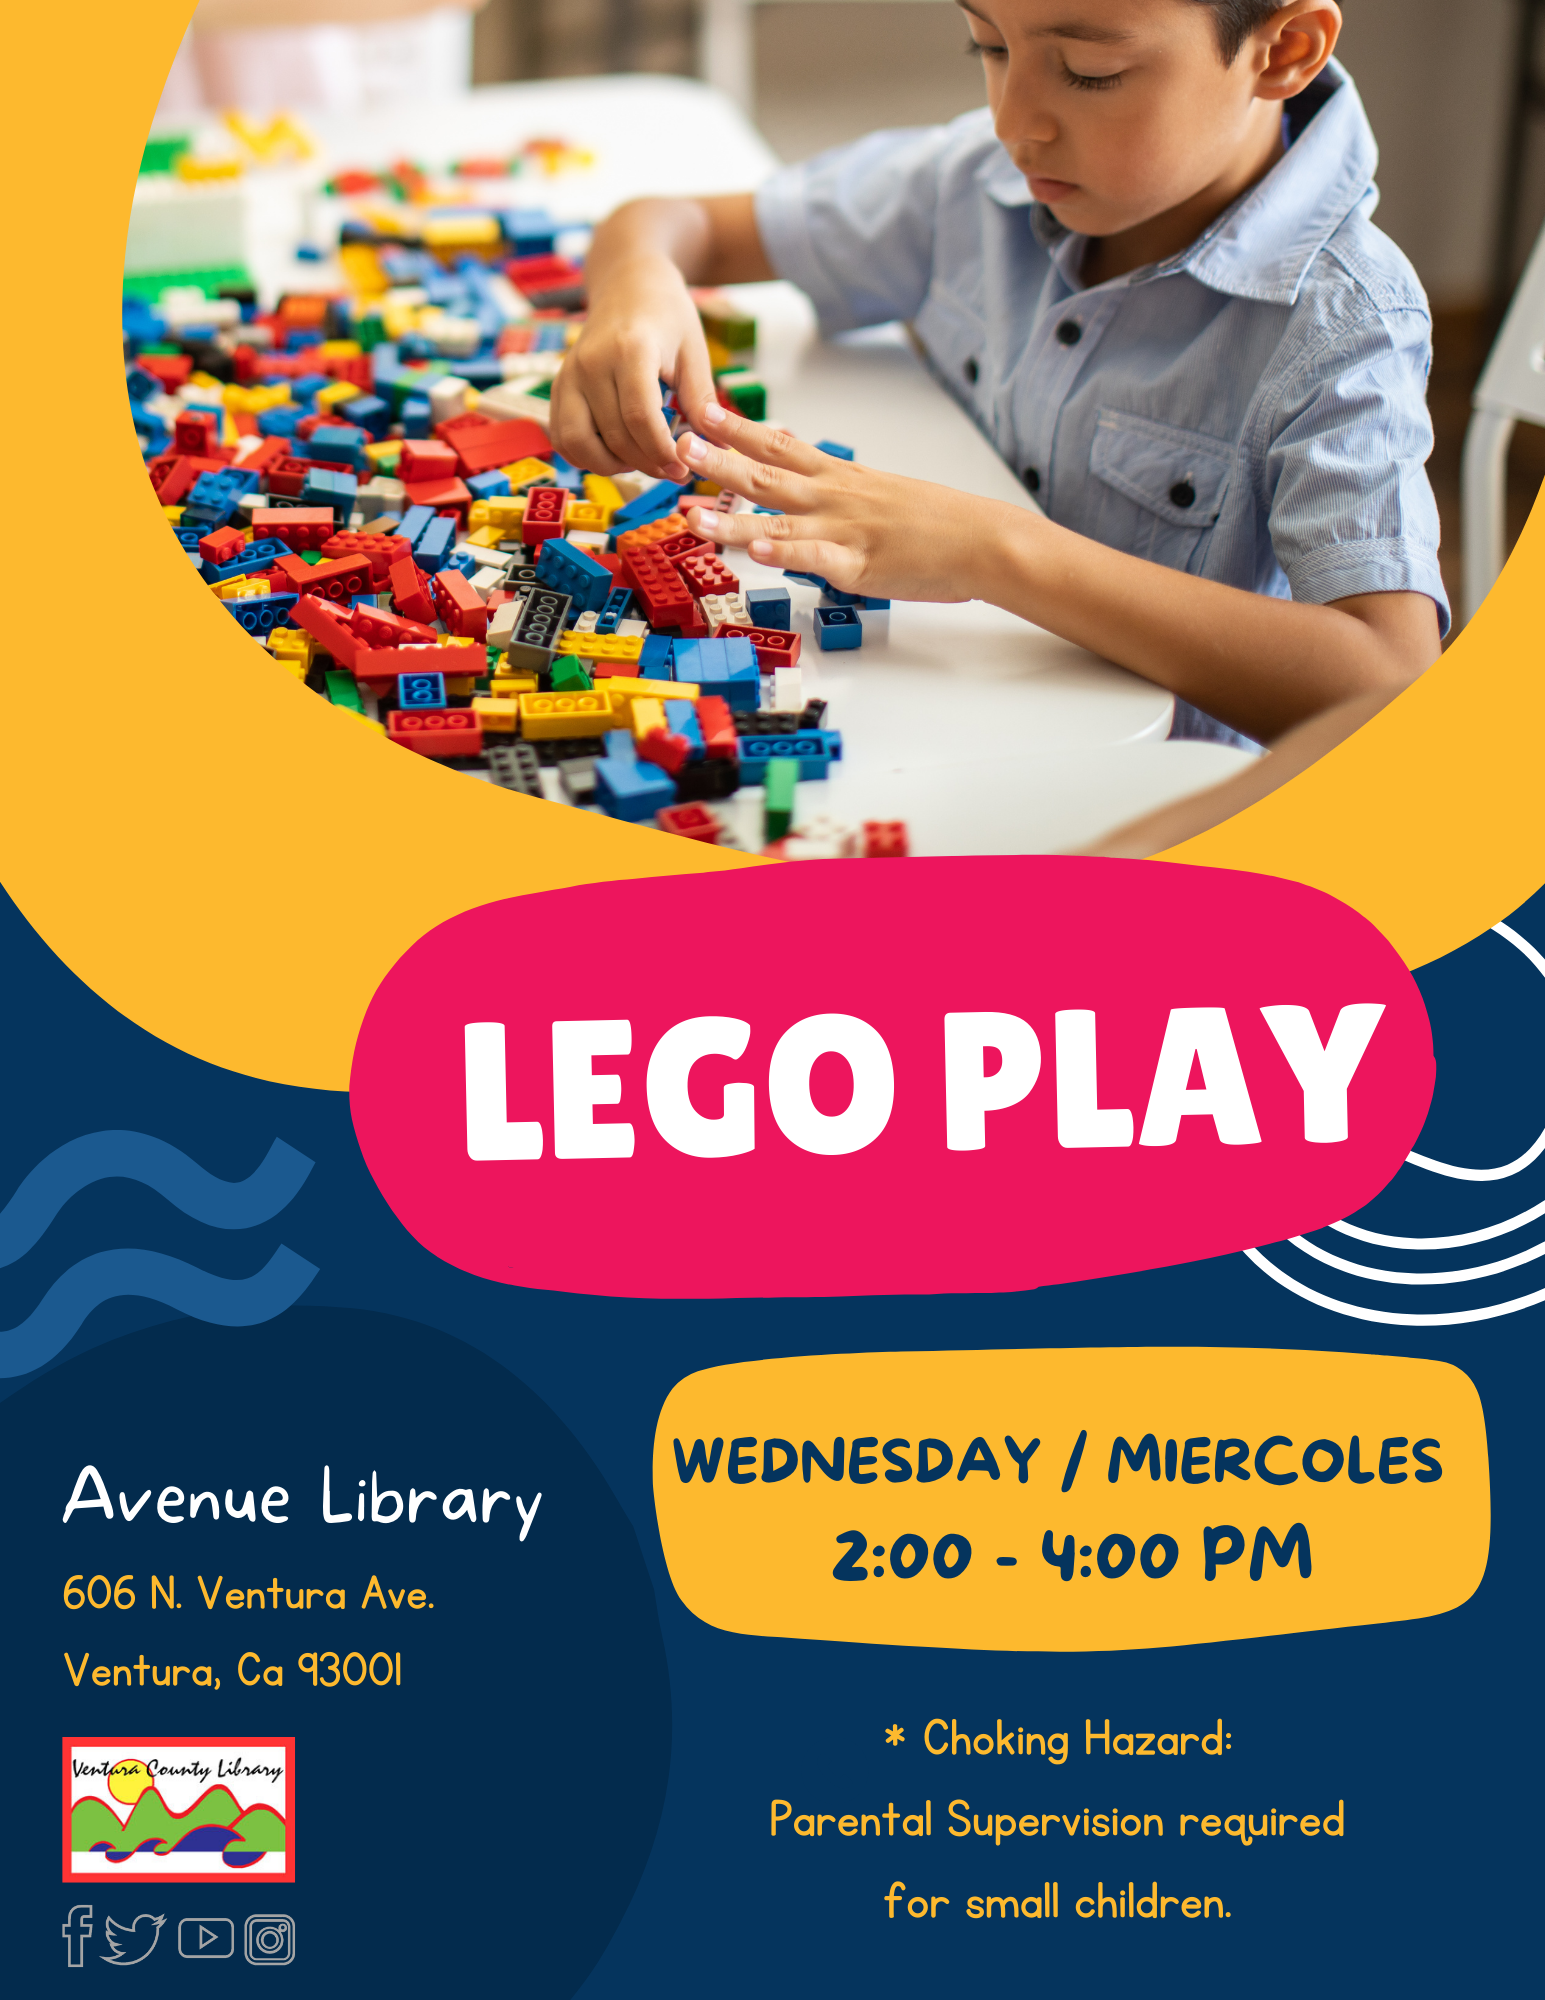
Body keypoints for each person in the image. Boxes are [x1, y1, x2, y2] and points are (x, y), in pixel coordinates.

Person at [550, 0, 1447, 750]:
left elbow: (1389, 684)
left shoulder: (1344, 324)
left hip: (1148, 812)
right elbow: (664, 221)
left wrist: (995, 550)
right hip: (929, 728)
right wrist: (636, 294)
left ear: (1282, 51)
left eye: (1090, 72)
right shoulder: (967, 180)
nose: (1016, 122)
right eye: (988, 45)